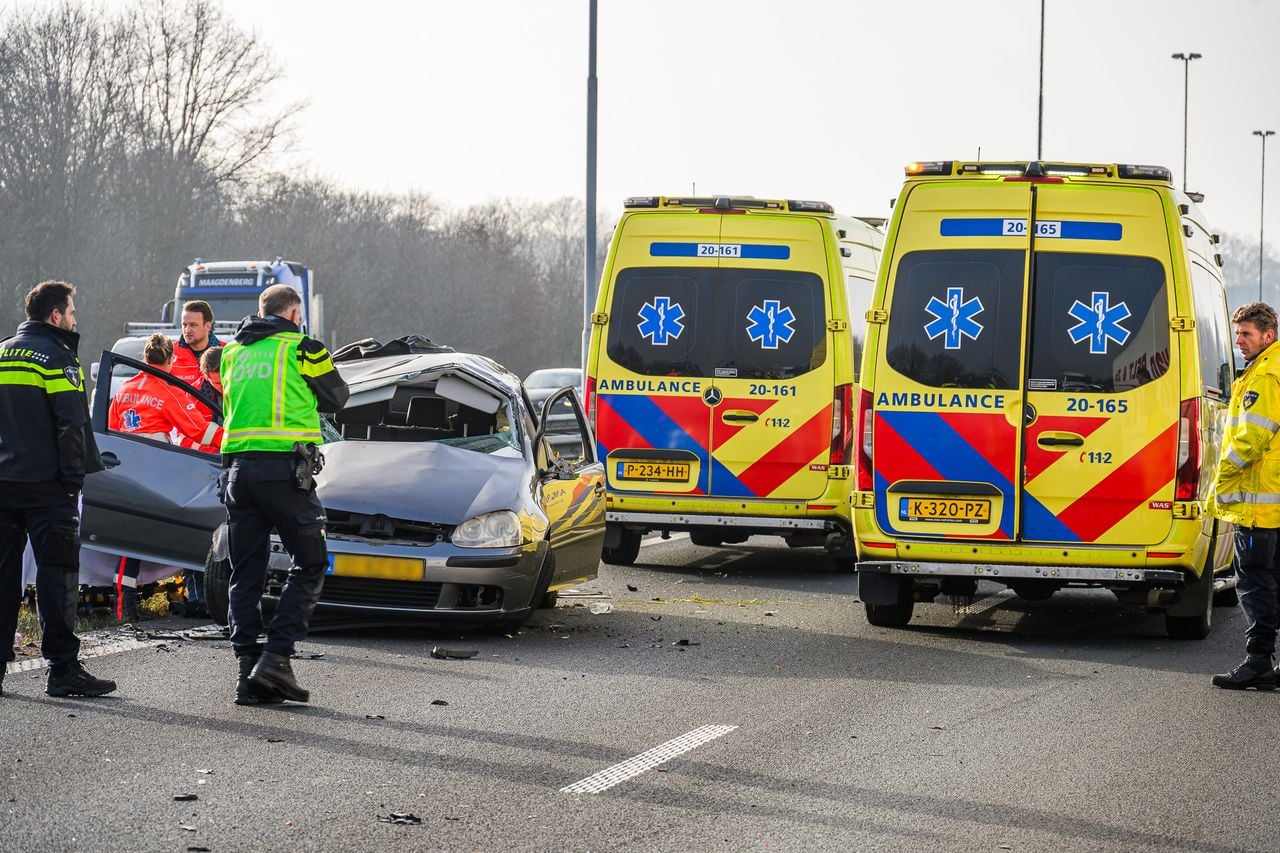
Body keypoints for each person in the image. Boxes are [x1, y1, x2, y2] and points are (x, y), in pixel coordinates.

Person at [221, 284, 348, 705]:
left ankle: (247, 675)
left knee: (246, 574)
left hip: (237, 474)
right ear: (294, 314)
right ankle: (276, 658)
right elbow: (338, 397)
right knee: (311, 562)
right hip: (284, 472)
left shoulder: (232, 353)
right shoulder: (302, 348)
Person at [0, 280, 115, 697]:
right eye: (71, 312)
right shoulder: (58, 358)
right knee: (57, 578)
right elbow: (72, 426)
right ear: (55, 316)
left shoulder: (2, 351)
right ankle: (63, 670)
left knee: (3, 578)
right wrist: (72, 481)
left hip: (4, 485)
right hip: (48, 488)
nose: (74, 319)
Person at [1209, 302, 1280, 690]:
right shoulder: (1268, 369)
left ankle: (1258, 662)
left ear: (1268, 335)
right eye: (1237, 333)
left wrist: (1222, 473)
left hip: (1257, 502)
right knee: (1271, 582)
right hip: (1271, 499)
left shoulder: (1265, 376)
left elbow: (1252, 438)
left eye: (1246, 334)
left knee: (1254, 582)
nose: (1239, 341)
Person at [108, 333, 225, 450]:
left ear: (146, 358)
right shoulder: (169, 394)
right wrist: (231, 440)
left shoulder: (124, 388)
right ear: (170, 359)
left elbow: (111, 427)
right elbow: (200, 430)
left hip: (124, 452)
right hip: (155, 453)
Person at [171, 300, 221, 397]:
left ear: (208, 326)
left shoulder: (227, 352)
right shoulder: (169, 354)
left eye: (193, 325)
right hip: (182, 411)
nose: (187, 330)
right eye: (184, 325)